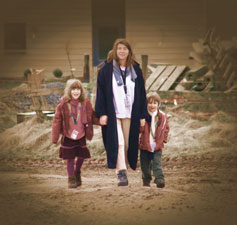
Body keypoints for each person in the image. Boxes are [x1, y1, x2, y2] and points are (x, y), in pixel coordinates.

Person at [95, 38, 147, 186]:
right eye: (119, 49)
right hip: (114, 113)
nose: (122, 51)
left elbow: (142, 93)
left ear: (129, 51)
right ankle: (121, 173)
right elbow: (101, 93)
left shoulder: (135, 69)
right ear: (115, 51)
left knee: (128, 144)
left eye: (125, 49)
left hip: (131, 113)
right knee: (118, 143)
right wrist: (102, 113)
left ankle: (122, 167)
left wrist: (143, 114)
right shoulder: (106, 70)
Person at [52, 79, 99, 188]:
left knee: (81, 157)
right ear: (69, 91)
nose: (76, 91)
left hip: (81, 135)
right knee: (70, 159)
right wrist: (54, 138)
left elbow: (92, 116)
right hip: (68, 136)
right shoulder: (63, 105)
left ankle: (77, 172)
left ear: (81, 91)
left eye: (78, 89)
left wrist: (102, 121)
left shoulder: (85, 103)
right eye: (73, 89)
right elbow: (56, 121)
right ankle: (71, 178)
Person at [139, 92, 170, 188]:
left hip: (157, 145)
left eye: (155, 103)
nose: (152, 105)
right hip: (145, 144)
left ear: (158, 105)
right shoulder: (142, 116)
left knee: (157, 163)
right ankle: (146, 179)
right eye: (150, 103)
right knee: (145, 166)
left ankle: (159, 179)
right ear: (146, 104)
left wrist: (163, 139)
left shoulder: (162, 117)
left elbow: (166, 128)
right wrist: (141, 124)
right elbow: (138, 130)